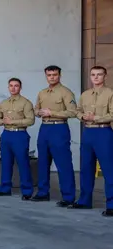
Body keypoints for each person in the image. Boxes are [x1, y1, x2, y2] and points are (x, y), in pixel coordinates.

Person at [68, 66, 113, 215]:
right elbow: (77, 110)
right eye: (93, 74)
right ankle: (84, 201)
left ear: (105, 76)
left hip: (103, 132)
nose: (96, 77)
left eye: (99, 74)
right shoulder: (85, 94)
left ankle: (111, 205)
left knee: (109, 169)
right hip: (88, 132)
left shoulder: (110, 94)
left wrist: (95, 118)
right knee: (86, 168)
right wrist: (82, 116)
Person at [33, 65, 77, 206]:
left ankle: (68, 197)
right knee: (43, 162)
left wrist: (51, 113)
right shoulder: (42, 93)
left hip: (59, 128)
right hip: (44, 128)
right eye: (49, 75)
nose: (52, 77)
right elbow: (36, 109)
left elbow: (73, 112)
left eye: (54, 75)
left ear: (59, 75)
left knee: (63, 163)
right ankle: (43, 193)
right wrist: (39, 112)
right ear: (46, 76)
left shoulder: (66, 92)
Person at [0, 78, 35, 199]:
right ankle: (5, 189)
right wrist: (2, 121)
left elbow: (31, 120)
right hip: (6, 134)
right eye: (11, 85)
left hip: (19, 134)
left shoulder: (26, 103)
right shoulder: (3, 103)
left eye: (16, 86)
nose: (13, 88)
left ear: (20, 88)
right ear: (8, 87)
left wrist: (13, 122)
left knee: (23, 163)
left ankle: (27, 191)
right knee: (5, 162)